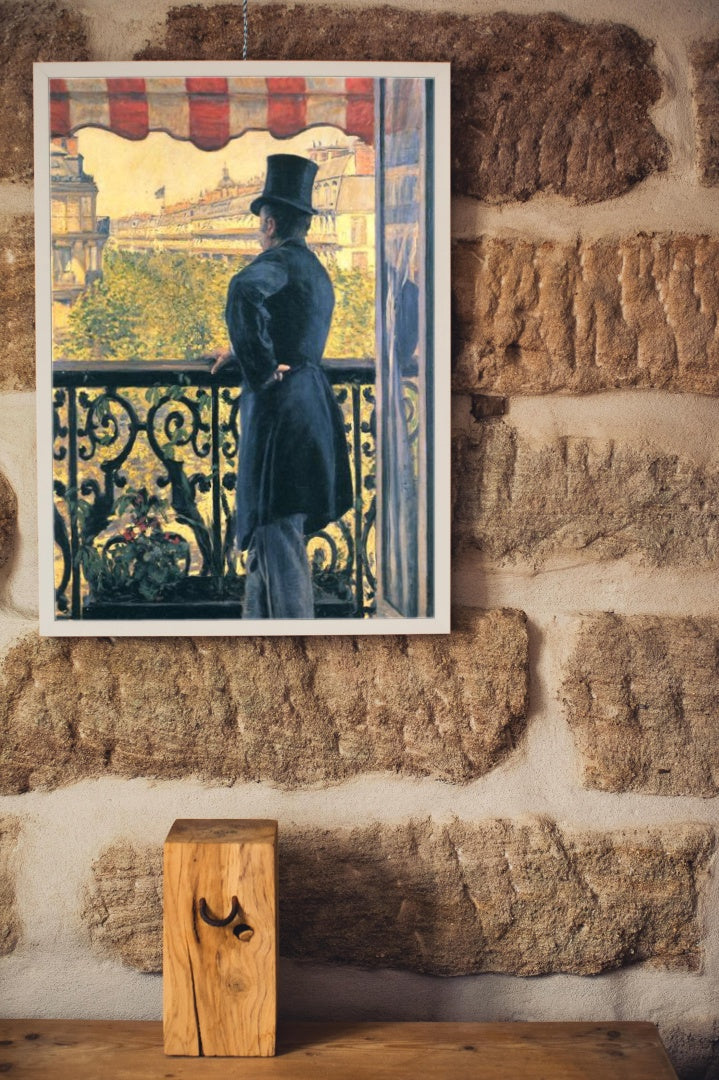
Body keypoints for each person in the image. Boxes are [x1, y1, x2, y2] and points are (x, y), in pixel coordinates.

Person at [211, 154, 353, 619]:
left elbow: (243, 291)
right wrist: (247, 350)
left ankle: (294, 647)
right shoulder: (313, 267)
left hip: (282, 415)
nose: (259, 232)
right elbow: (292, 325)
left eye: (260, 224)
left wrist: (260, 366)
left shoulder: (277, 262)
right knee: (273, 548)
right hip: (310, 407)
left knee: (279, 546)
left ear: (270, 223)